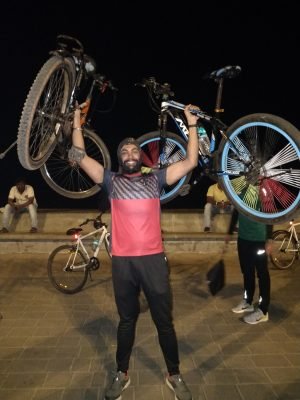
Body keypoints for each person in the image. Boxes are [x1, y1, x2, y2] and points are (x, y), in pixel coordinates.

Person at [69, 102, 200, 400]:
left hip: (153, 260)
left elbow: (190, 162)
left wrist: (191, 124)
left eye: (133, 151)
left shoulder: (154, 179)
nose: (129, 154)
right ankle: (121, 372)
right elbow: (78, 156)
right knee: (126, 320)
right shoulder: (111, 182)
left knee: (164, 321)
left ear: (140, 157)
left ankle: (174, 373)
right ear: (120, 159)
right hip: (123, 263)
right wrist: (77, 121)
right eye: (124, 152)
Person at [227, 209, 273, 324]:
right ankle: (248, 302)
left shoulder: (264, 192)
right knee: (247, 271)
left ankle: (263, 310)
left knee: (262, 274)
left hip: (259, 239)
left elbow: (270, 214)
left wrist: (269, 238)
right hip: (243, 239)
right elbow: (236, 211)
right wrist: (229, 231)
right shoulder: (240, 192)